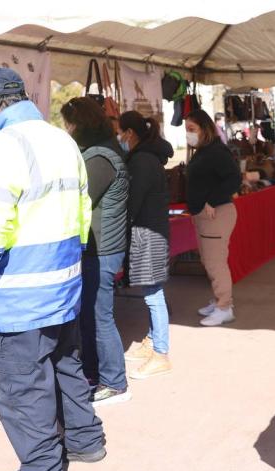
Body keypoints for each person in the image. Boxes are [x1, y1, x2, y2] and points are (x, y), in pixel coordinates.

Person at [0, 68, 103, 471]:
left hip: (20, 291)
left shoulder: (0, 148)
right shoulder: (62, 140)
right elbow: (83, 213)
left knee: (22, 384)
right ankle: (86, 441)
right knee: (66, 364)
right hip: (63, 281)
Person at [61, 97, 131, 406]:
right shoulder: (99, 151)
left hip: (103, 248)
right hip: (99, 246)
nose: (66, 129)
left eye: (69, 124)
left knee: (100, 316)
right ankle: (94, 372)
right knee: (90, 314)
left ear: (80, 125)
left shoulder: (99, 157)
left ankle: (115, 382)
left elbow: (80, 199)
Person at [118, 111, 174, 378]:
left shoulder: (141, 161)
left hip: (148, 232)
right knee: (152, 292)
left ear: (129, 133)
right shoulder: (148, 157)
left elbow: (133, 202)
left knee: (153, 295)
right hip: (152, 229)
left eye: (120, 133)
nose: (119, 138)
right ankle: (152, 340)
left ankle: (161, 353)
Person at [185, 110, 242, 327]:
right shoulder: (203, 151)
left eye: (192, 129)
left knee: (215, 263)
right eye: (187, 130)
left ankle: (224, 306)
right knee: (209, 261)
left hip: (216, 213)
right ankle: (219, 300)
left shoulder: (215, 151)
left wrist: (211, 200)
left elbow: (234, 178)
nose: (188, 134)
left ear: (204, 129)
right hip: (205, 214)